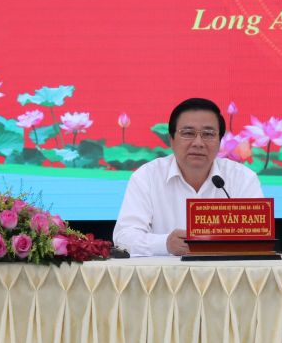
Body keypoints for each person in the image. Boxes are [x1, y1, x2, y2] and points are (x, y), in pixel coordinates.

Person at [113, 97, 264, 256]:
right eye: (188, 133)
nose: (198, 142)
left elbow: (259, 238)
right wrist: (165, 244)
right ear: (171, 140)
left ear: (220, 141)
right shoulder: (146, 177)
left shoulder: (243, 179)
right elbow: (124, 237)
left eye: (208, 134)